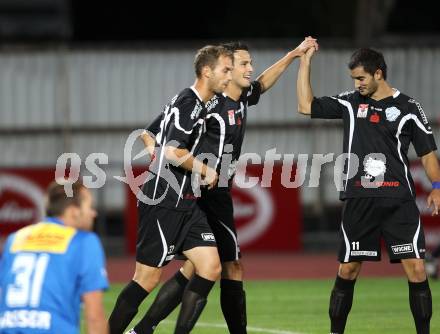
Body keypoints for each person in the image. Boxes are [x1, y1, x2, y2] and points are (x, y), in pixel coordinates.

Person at [128, 38, 318, 334]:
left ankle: (143, 329)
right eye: (241, 64)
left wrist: (293, 56)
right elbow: (150, 132)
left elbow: (264, 83)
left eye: (248, 63)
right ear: (224, 70)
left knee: (199, 268)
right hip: (202, 192)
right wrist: (159, 154)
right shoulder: (207, 104)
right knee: (227, 266)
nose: (249, 69)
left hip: (218, 190)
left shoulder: (241, 97)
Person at [297, 45, 440, 334]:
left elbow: (427, 153)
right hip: (360, 199)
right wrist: (305, 62)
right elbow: (305, 105)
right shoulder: (350, 102)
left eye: (361, 78)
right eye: (353, 79)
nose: (356, 84)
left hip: (399, 200)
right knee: (348, 269)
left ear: (379, 73)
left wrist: (436, 186)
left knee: (416, 268)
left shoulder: (409, 108)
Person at [108, 45, 234, 334]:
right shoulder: (189, 103)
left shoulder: (190, 101)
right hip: (164, 198)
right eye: (225, 70)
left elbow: (147, 133)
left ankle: (143, 331)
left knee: (211, 265)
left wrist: (156, 151)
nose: (229, 76)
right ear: (206, 71)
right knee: (147, 278)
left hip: (187, 202)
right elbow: (175, 153)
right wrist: (205, 169)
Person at [0, 180, 109, 334]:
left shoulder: (15, 239)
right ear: (73, 211)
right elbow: (94, 317)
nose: (94, 213)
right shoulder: (83, 241)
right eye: (89, 207)